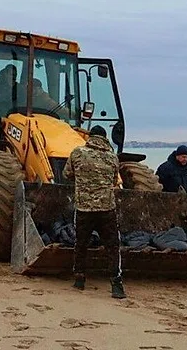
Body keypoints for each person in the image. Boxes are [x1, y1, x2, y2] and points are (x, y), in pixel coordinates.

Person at [62, 125, 126, 299]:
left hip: (84, 208)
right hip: (107, 209)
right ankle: (116, 285)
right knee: (112, 246)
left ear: (90, 137)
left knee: (81, 244)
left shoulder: (77, 153)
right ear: (105, 138)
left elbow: (67, 174)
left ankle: (80, 280)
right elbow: (114, 181)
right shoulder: (113, 157)